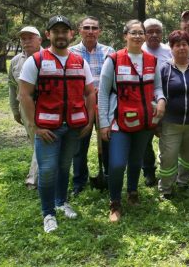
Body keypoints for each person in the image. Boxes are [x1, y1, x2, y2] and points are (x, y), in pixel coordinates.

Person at [18, 15, 95, 233]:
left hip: (73, 127)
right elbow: (24, 95)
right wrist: (36, 127)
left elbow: (90, 92)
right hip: (47, 128)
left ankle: (61, 202)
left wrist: (89, 121)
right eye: (56, 31)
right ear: (48, 34)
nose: (60, 35)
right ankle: (48, 213)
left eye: (65, 31)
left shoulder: (80, 61)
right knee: (48, 170)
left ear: (71, 34)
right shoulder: (37, 60)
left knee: (64, 166)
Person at [98, 19, 166, 222]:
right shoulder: (114, 59)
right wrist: (103, 123)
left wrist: (161, 100)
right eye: (133, 33)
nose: (137, 36)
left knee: (136, 160)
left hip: (145, 120)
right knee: (118, 163)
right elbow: (102, 93)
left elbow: (157, 87)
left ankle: (133, 192)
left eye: (140, 33)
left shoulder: (151, 60)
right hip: (119, 121)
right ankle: (115, 202)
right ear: (125, 36)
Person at [69, 16, 115, 195]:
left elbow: (114, 78)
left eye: (94, 28)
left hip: (103, 106)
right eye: (86, 27)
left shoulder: (108, 51)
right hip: (80, 106)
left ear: (99, 31)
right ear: (79, 30)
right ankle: (79, 182)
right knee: (79, 146)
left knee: (107, 143)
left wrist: (100, 92)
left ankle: (109, 177)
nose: (90, 31)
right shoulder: (71, 52)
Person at [157, 30, 189, 200]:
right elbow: (158, 93)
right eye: (177, 45)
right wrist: (157, 122)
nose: (181, 48)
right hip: (171, 123)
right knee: (168, 157)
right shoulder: (164, 69)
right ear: (171, 48)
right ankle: (165, 189)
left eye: (184, 44)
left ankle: (183, 182)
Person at [8, 26, 42, 190]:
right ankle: (44, 173)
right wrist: (15, 110)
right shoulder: (15, 61)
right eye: (23, 39)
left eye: (30, 38)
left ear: (40, 40)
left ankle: (33, 180)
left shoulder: (48, 57)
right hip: (25, 107)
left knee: (40, 140)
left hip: (45, 107)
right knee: (35, 142)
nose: (26, 41)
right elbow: (12, 85)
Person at [141, 18, 173, 186]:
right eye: (150, 31)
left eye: (157, 31)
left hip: (166, 102)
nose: (154, 35)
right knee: (145, 139)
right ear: (144, 34)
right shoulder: (138, 50)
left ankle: (167, 171)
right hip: (143, 104)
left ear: (162, 34)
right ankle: (148, 171)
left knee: (166, 137)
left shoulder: (169, 51)